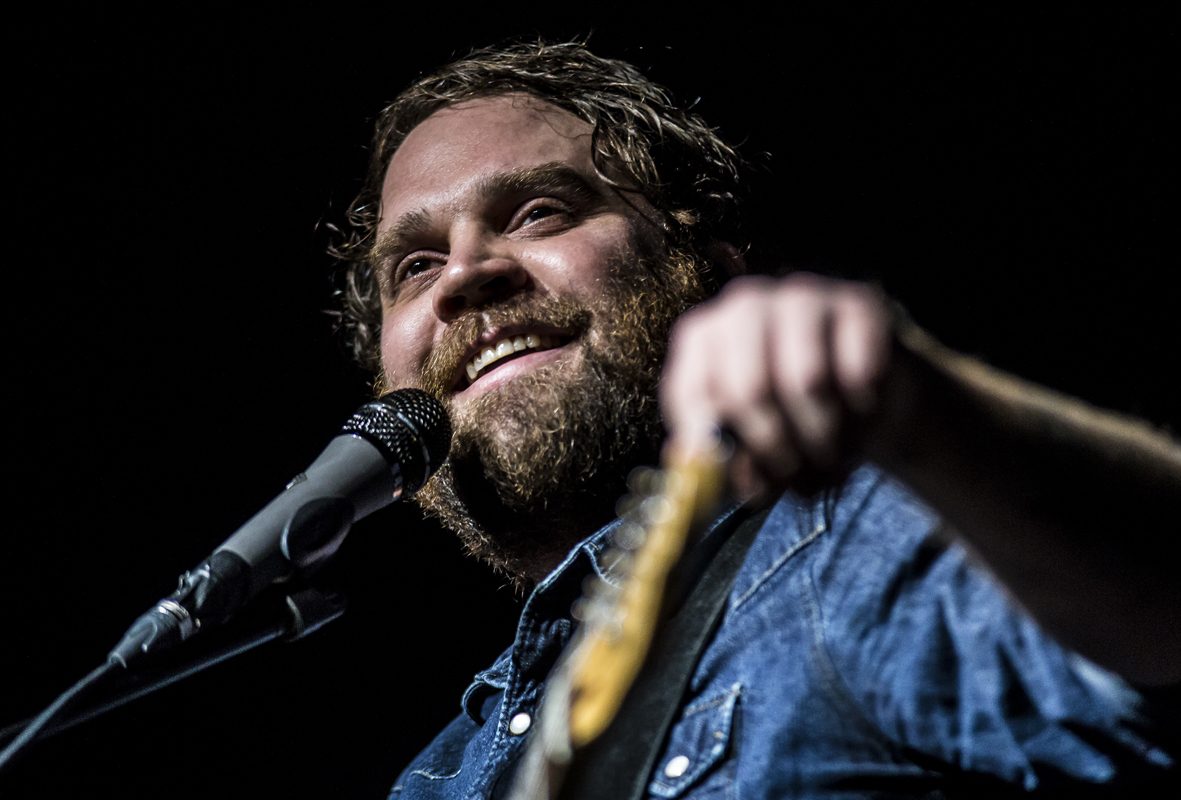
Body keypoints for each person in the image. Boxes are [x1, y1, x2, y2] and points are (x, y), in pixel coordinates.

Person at [333, 41, 1180, 798]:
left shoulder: (848, 552)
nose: (463, 276)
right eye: (414, 264)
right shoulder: (440, 775)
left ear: (707, 262)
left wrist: (927, 412)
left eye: (537, 212)